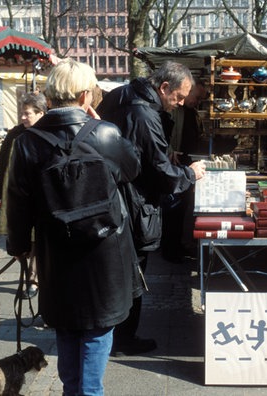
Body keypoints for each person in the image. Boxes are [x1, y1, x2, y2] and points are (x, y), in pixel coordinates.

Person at [4, 59, 140, 395]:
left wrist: (19, 246)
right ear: (84, 96)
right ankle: (90, 392)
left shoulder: (26, 141)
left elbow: (17, 200)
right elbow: (134, 168)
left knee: (65, 324)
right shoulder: (105, 133)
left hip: (55, 248)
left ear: (49, 97)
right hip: (104, 250)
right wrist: (103, 126)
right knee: (98, 328)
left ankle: (72, 390)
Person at [97, 60, 207, 356]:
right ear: (164, 87)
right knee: (134, 271)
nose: (180, 103)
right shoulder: (145, 114)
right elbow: (157, 169)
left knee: (119, 269)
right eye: (179, 97)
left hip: (111, 194)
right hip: (131, 199)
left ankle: (116, 335)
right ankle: (124, 339)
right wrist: (189, 174)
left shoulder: (122, 94)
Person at [0, 92, 47, 298]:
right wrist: (0, 191)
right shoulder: (15, 134)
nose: (23, 118)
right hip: (17, 196)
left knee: (37, 240)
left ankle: (33, 279)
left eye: (28, 114)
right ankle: (29, 275)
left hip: (40, 197)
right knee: (21, 240)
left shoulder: (48, 134)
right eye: (22, 113)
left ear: (41, 113)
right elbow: (2, 165)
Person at [161, 79, 208, 262]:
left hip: (183, 163)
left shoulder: (190, 112)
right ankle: (171, 249)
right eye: (196, 97)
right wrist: (170, 150)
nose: (197, 101)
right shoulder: (174, 109)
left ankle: (177, 246)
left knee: (181, 209)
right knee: (173, 209)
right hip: (174, 164)